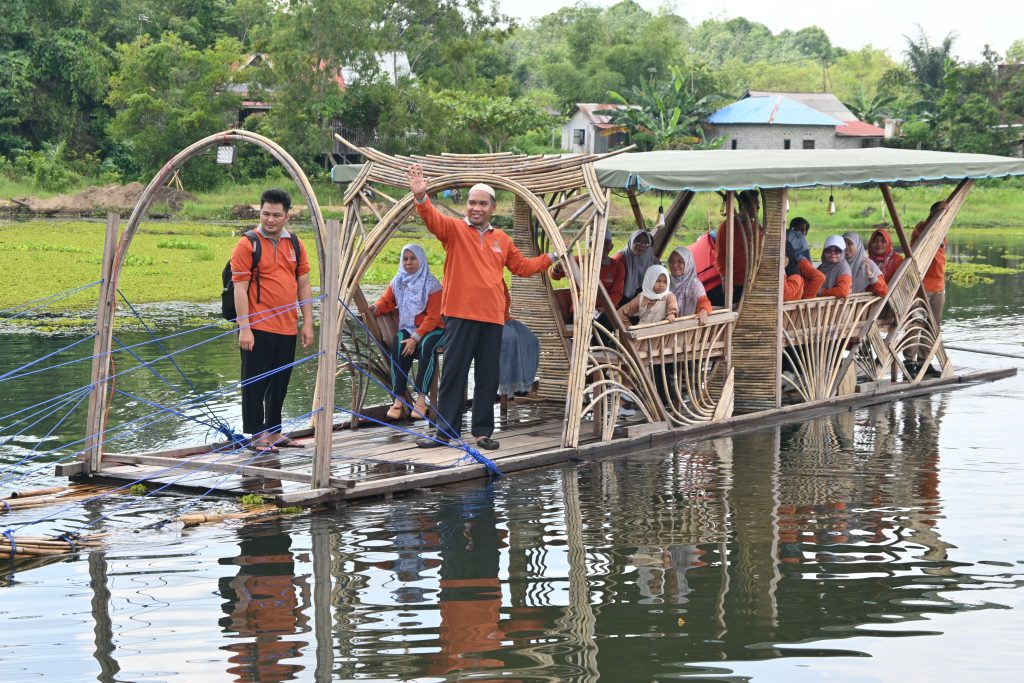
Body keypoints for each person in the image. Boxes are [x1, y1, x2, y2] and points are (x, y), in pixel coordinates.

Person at [407, 164, 556, 451]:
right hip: (460, 315)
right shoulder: (454, 230)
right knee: (453, 373)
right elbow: (432, 219)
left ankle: (482, 432)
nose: (476, 208)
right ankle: (445, 431)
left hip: (492, 318)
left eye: (482, 204)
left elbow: (522, 267)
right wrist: (421, 197)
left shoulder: (501, 239)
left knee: (488, 375)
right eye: (472, 203)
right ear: (467, 206)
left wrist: (550, 256)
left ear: (493, 208)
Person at [231, 188, 314, 453]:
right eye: (266, 213)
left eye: (276, 215)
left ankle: (275, 432)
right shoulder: (247, 244)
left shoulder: (296, 245)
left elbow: (303, 284)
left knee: (280, 382)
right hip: (257, 327)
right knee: (255, 383)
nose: (270, 220)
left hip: (287, 327)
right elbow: (239, 289)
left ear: (287, 216)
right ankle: (257, 436)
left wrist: (308, 322)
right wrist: (245, 328)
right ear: (260, 212)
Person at [369, 243, 444, 420]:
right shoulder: (398, 281)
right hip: (409, 329)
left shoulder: (432, 285)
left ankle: (421, 399)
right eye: (405, 259)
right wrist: (374, 308)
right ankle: (399, 397)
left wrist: (416, 338)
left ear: (422, 260)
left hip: (435, 330)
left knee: (427, 346)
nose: (408, 262)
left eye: (413, 258)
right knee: (399, 340)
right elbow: (386, 301)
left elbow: (433, 318)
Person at [549, 231, 625, 314]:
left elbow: (617, 294)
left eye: (606, 244)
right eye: (598, 243)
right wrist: (557, 268)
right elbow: (555, 276)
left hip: (604, 310)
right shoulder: (578, 261)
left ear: (611, 247)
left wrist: (605, 308)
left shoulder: (617, 267)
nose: (602, 247)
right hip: (580, 309)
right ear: (591, 245)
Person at [713, 189, 762, 306]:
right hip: (735, 282)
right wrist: (725, 279)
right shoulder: (727, 226)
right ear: (744, 205)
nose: (759, 207)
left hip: (754, 280)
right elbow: (720, 256)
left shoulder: (758, 228)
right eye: (756, 204)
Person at [911, 201, 948, 326]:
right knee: (915, 325)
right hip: (920, 288)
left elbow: (940, 257)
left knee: (933, 326)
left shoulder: (942, 234)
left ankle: (929, 346)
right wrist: (935, 215)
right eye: (939, 215)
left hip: (938, 287)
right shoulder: (921, 229)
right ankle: (912, 346)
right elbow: (922, 238)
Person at [611, 229, 658, 304]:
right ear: (631, 241)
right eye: (637, 241)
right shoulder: (620, 258)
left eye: (645, 243)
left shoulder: (649, 259)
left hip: (637, 300)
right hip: (616, 299)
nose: (641, 245)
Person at [667, 246, 712, 323]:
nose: (675, 265)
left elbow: (703, 301)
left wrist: (703, 311)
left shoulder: (694, 284)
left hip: (688, 326)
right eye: (672, 261)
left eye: (680, 261)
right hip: (667, 324)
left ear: (688, 263)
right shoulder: (666, 281)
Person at [783, 229, 825, 301]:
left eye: (785, 255)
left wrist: (806, 300)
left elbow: (785, 295)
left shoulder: (796, 276)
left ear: (790, 256)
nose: (781, 259)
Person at [843, 232, 888, 296]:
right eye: (843, 244)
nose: (846, 247)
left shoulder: (867, 264)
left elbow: (884, 291)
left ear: (858, 246)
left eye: (850, 244)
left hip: (862, 304)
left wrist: (871, 276)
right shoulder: (838, 264)